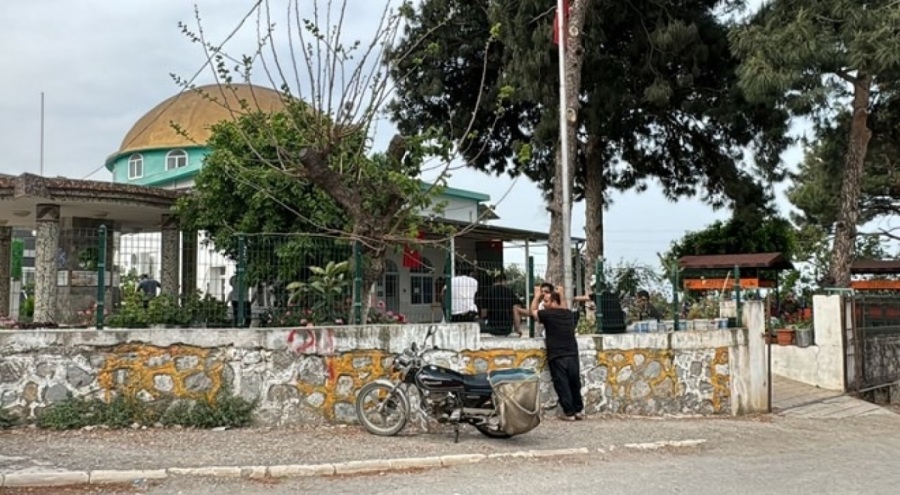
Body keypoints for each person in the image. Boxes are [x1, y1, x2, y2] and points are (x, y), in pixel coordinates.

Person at [531, 285, 585, 421]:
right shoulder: (567, 313)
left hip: (557, 355)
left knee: (562, 384)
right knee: (574, 382)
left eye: (547, 301)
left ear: (554, 302)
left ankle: (569, 412)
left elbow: (533, 311)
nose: (545, 303)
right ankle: (578, 410)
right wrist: (561, 294)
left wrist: (537, 296)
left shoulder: (547, 314)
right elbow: (564, 306)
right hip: (572, 353)